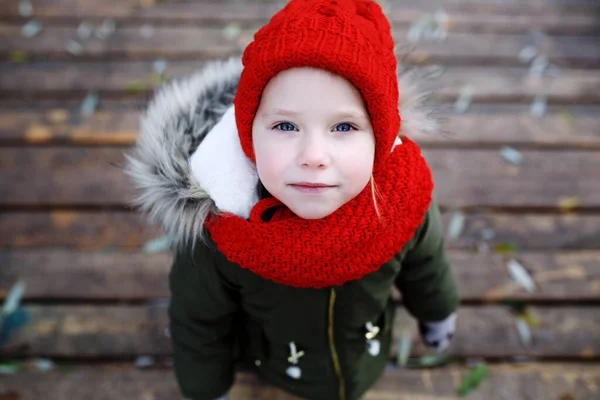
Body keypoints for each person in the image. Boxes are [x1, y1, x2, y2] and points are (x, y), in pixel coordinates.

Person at [125, 0, 459, 399]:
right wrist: (206, 389)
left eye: (343, 126)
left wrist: (437, 312)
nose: (313, 155)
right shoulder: (221, 230)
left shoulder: (401, 205)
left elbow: (427, 266)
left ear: (379, 138)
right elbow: (199, 321)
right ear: (249, 135)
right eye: (285, 125)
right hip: (276, 367)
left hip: (365, 356)